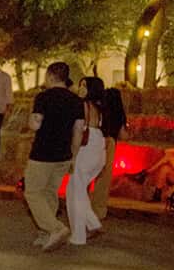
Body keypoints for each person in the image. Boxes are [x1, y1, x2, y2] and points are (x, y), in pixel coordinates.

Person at [24, 62, 84, 251]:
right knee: (49, 193)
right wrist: (73, 156)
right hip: (64, 154)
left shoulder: (43, 97)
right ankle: (46, 234)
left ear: (50, 76)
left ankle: (55, 228)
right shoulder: (76, 101)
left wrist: (30, 117)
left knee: (32, 192)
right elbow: (78, 131)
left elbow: (35, 125)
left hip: (43, 153)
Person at [67, 76, 107, 246]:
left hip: (87, 146)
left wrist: (73, 155)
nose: (81, 88)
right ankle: (92, 224)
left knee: (75, 190)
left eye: (85, 85)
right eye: (80, 84)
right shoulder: (99, 108)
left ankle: (79, 235)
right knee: (76, 189)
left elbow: (79, 129)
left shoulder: (83, 105)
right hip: (98, 146)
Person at [91, 87, 127, 221]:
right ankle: (98, 211)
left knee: (89, 175)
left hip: (96, 140)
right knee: (103, 179)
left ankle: (84, 205)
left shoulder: (98, 109)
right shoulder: (119, 112)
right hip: (109, 142)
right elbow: (123, 135)